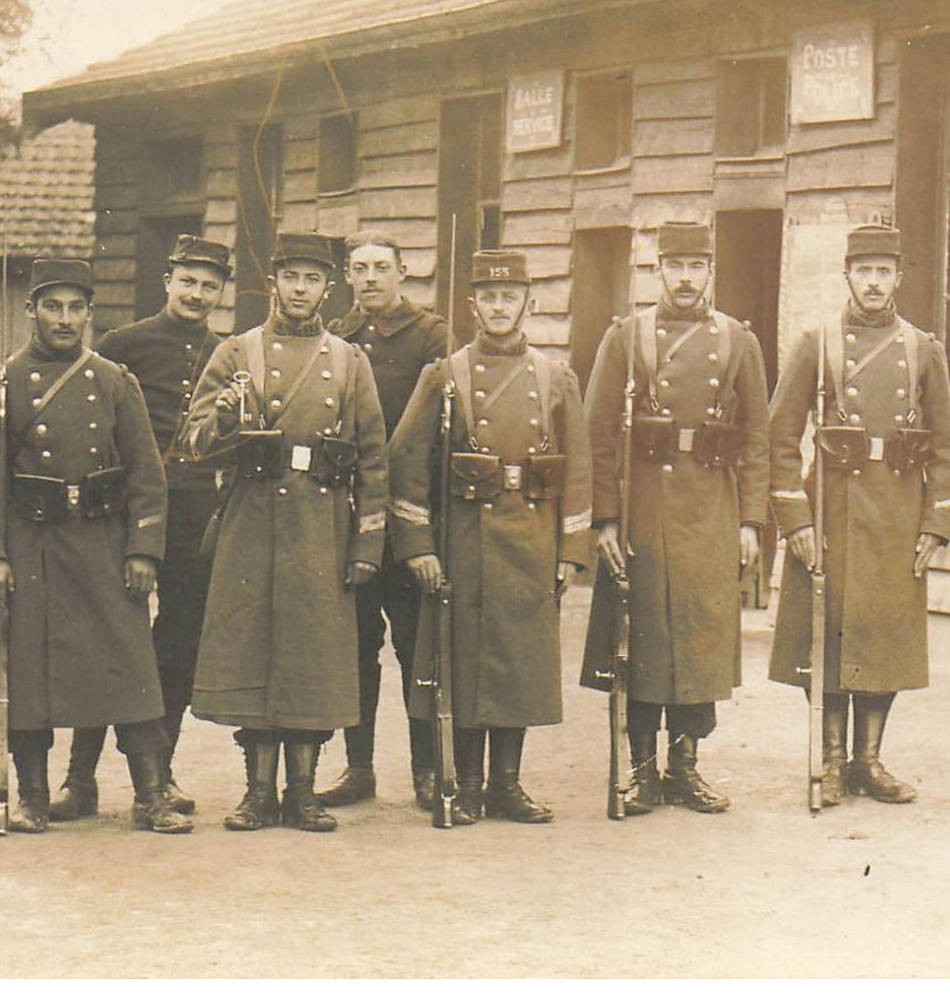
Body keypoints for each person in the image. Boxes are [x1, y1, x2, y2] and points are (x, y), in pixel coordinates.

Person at [0, 258, 190, 835]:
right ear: (31, 310)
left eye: (75, 307)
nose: (65, 319)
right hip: (30, 548)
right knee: (28, 676)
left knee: (132, 672)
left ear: (89, 311)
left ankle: (151, 795)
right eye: (52, 307)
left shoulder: (114, 382)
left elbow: (146, 477)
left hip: (104, 546)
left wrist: (142, 551)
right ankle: (32, 795)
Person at [183, 232, 389, 833]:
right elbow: (193, 446)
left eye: (313, 279)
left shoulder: (350, 360)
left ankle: (302, 793)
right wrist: (222, 413)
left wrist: (367, 544)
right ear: (273, 281)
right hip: (251, 525)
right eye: (290, 277)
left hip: (321, 529)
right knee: (255, 653)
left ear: (329, 288)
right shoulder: (235, 352)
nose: (300, 289)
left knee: (311, 659)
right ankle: (255, 793)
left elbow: (374, 459)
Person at [389, 249, 592, 824]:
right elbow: (406, 461)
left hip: (530, 539)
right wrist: (419, 546)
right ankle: (469, 783)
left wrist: (570, 554)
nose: (500, 308)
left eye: (511, 297)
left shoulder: (555, 378)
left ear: (529, 304)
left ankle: (508, 783)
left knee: (519, 665)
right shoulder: (444, 376)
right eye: (489, 298)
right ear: (473, 305)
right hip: (464, 541)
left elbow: (577, 471)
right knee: (466, 662)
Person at [580, 221, 771, 815]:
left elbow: (758, 439)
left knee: (699, 638)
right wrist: (605, 520)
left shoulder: (738, 340)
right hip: (644, 505)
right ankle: (641, 770)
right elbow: (599, 433)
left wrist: (751, 522)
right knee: (642, 638)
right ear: (656, 270)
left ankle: (685, 767)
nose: (686, 278)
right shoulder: (627, 337)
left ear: (710, 271)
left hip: (712, 505)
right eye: (674, 266)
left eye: (697, 266)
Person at [767, 223, 950, 807]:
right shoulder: (816, 343)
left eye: (884, 272)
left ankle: (868, 760)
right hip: (830, 507)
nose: (873, 283)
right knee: (822, 633)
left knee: (883, 638)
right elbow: (778, 437)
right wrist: (795, 521)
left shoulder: (923, 349)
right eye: (863, 271)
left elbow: (945, 446)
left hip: (897, 508)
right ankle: (828, 757)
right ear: (847, 275)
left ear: (898, 278)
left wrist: (935, 523)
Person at [44, 235, 231, 822]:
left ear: (220, 292)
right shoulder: (125, 346)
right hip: (124, 512)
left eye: (209, 285)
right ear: (167, 280)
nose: (197, 294)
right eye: (188, 282)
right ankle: (80, 779)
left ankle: (161, 772)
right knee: (108, 637)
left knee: (178, 646)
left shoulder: (229, 354)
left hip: (196, 515)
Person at [321, 231, 449, 810]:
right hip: (352, 517)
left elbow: (439, 428)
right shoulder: (337, 339)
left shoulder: (431, 336)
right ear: (347, 277)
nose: (370, 278)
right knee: (356, 645)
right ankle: (359, 766)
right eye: (358, 269)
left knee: (417, 645)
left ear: (404, 272)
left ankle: (427, 768)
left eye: (381, 267)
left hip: (412, 516)